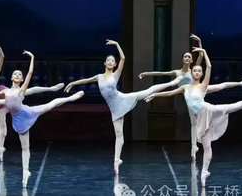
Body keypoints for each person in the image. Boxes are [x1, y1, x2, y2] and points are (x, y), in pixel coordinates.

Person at [145, 47, 242, 186]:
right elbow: (170, 93)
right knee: (207, 146)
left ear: (201, 74)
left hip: (209, 110)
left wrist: (205, 53)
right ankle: (204, 171)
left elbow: (210, 68)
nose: (196, 72)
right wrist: (155, 94)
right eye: (195, 70)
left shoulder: (203, 85)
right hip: (201, 119)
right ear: (191, 72)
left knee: (235, 106)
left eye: (199, 71)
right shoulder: (185, 88)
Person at [65, 40, 184, 174]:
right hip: (114, 108)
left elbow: (123, 58)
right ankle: (117, 160)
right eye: (108, 60)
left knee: (148, 90)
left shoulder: (115, 75)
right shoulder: (98, 77)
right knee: (119, 134)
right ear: (105, 63)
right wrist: (72, 83)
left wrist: (117, 44)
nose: (110, 62)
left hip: (122, 99)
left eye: (112, 61)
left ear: (115, 64)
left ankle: (172, 82)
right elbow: (85, 80)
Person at [0, 51, 84, 187]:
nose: (17, 75)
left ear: (21, 79)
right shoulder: (5, 91)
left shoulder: (21, 90)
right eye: (15, 74)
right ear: (11, 78)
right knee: (25, 148)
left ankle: (71, 98)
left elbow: (30, 73)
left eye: (19, 75)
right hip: (18, 121)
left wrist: (32, 58)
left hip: (28, 112)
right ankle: (26, 172)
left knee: (52, 104)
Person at [138, 34, 204, 160]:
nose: (187, 58)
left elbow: (201, 56)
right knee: (194, 123)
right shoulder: (177, 72)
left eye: (189, 57)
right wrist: (146, 73)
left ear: (191, 61)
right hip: (186, 96)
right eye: (185, 56)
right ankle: (194, 147)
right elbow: (161, 73)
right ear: (182, 60)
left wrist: (199, 42)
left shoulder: (193, 71)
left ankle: (196, 144)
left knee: (198, 121)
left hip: (197, 95)